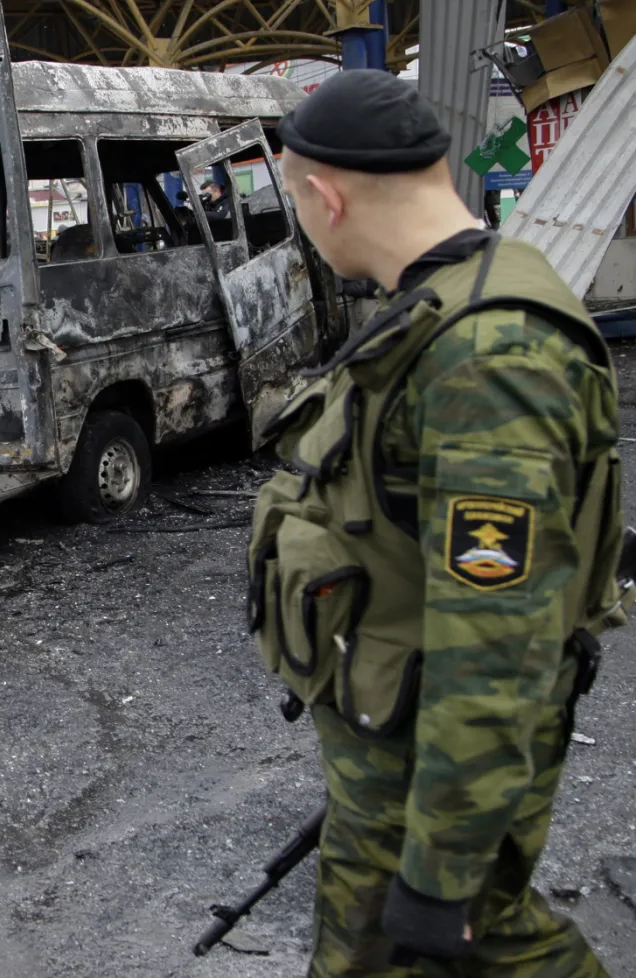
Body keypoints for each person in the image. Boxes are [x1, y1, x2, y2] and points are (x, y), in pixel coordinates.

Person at [249, 70, 622, 976]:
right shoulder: (448, 298)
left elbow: (500, 632)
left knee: (480, 941)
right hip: (396, 732)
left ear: (325, 198)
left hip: (430, 749)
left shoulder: (487, 357)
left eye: (295, 204)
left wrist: (443, 871)